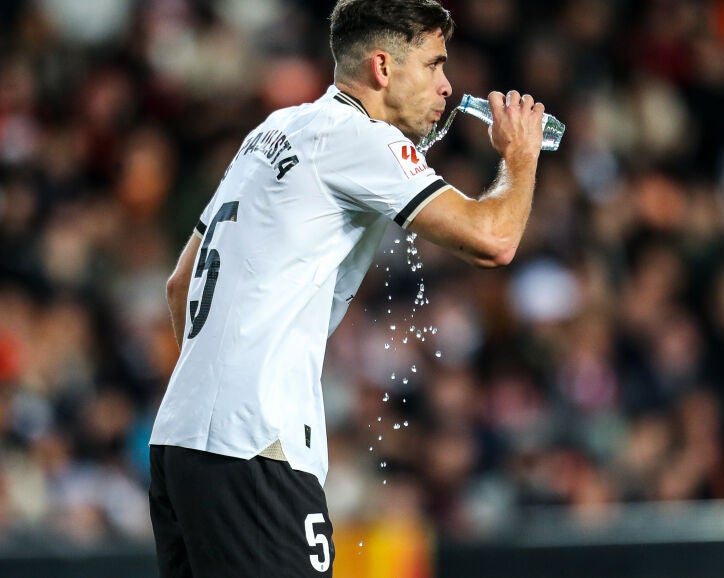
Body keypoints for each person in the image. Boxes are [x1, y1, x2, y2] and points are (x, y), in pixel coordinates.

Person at [147, 0, 546, 575]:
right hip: (254, 442)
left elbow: (181, 284)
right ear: (383, 67)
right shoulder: (361, 138)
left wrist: (216, 395)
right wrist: (521, 156)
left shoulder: (275, 128)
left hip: (180, 439)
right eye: (434, 64)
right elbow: (494, 240)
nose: (447, 86)